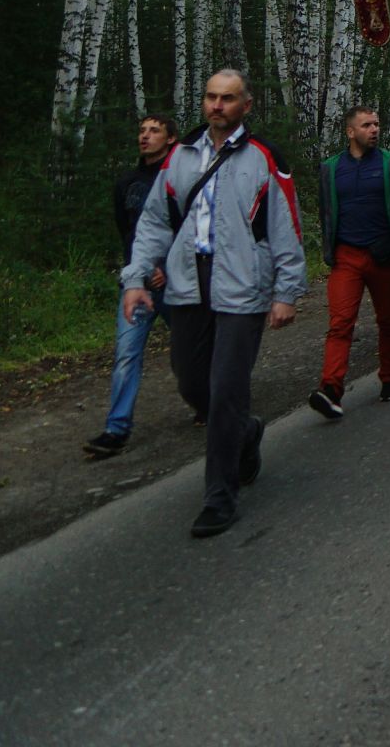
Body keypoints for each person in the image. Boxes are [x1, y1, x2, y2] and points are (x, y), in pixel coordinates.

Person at [120, 71, 305, 537]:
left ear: (246, 105)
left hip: (243, 282)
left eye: (227, 99)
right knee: (190, 382)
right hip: (187, 281)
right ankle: (245, 433)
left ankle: (219, 496)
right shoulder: (180, 158)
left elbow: (285, 226)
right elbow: (155, 223)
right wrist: (136, 278)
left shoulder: (264, 158)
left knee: (226, 389)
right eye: (210, 98)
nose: (217, 106)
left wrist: (286, 291)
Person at [309, 106, 390, 419]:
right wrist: (328, 250)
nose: (374, 129)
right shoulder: (331, 169)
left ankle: (389, 377)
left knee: (387, 320)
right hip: (346, 256)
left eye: (376, 123)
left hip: (383, 255)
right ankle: (331, 388)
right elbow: (326, 211)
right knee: (340, 322)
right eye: (366, 125)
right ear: (350, 132)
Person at [84, 114, 179, 459]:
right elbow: (127, 231)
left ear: (170, 139)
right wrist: (136, 273)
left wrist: (167, 268)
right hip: (136, 285)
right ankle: (116, 430)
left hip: (175, 283)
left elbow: (188, 228)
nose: (145, 136)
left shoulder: (178, 178)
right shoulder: (126, 182)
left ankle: (209, 403)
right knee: (126, 355)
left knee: (190, 350)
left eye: (154, 131)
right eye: (142, 130)